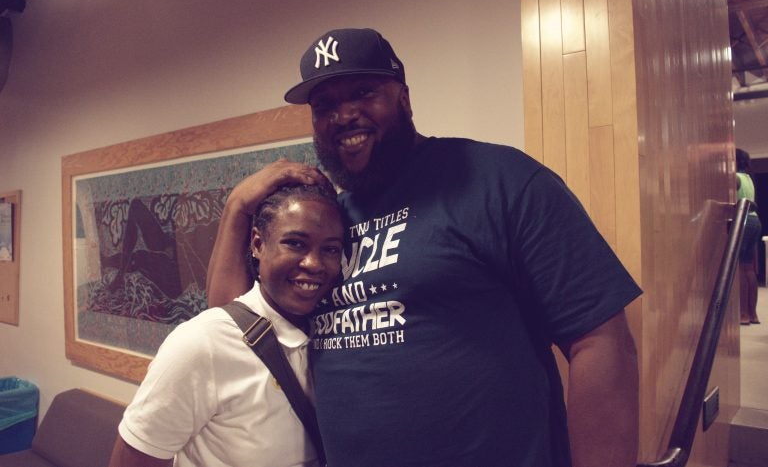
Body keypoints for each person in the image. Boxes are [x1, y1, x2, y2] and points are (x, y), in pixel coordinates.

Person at [207, 28, 642, 467]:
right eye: (326, 107)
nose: (344, 115)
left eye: (364, 91)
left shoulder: (499, 180)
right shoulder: (326, 226)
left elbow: (600, 341)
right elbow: (238, 335)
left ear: (404, 98)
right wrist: (238, 206)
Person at [109, 182, 344, 467]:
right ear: (258, 244)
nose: (314, 264)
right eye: (295, 243)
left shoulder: (335, 333)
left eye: (330, 249)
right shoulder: (202, 343)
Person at [736, 148, 761, 325]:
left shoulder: (735, 178)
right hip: (754, 221)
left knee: (738, 268)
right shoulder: (748, 178)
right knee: (748, 268)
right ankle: (753, 314)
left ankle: (743, 313)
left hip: (742, 222)